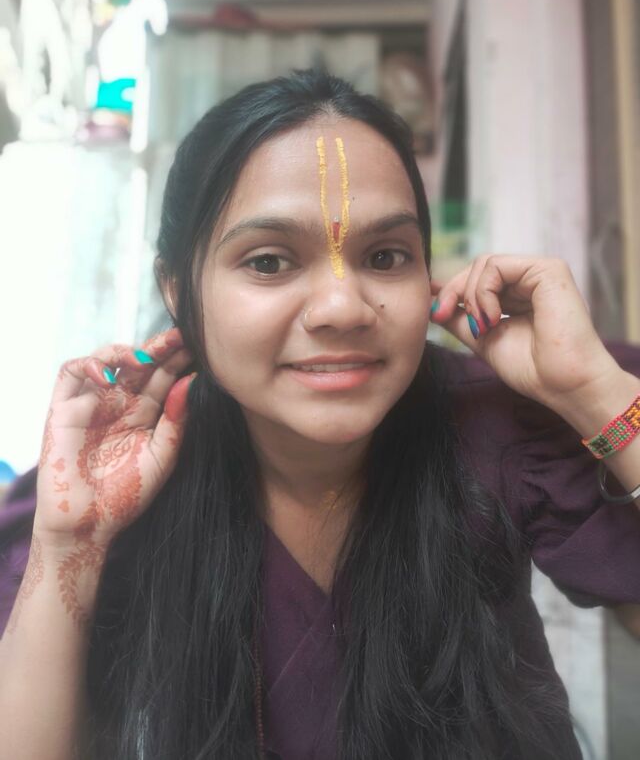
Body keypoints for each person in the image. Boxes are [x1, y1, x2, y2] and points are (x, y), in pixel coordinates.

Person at [0, 68, 639, 760]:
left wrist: (593, 392)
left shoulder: (499, 416)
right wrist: (69, 545)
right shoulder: (109, 485)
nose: (342, 308)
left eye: (385, 256)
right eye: (270, 262)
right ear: (179, 291)